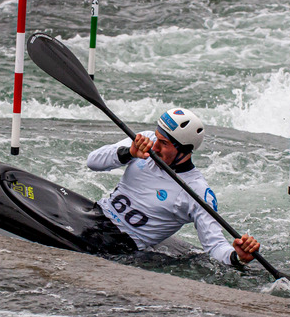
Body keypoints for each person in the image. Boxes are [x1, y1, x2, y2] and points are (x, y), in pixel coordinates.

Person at [87, 108, 260, 267]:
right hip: (95, 215)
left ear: (184, 150)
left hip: (121, 243)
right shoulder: (145, 141)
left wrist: (237, 257)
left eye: (164, 143)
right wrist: (129, 153)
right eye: (157, 137)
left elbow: (215, 245)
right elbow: (93, 162)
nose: (155, 147)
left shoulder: (197, 192)